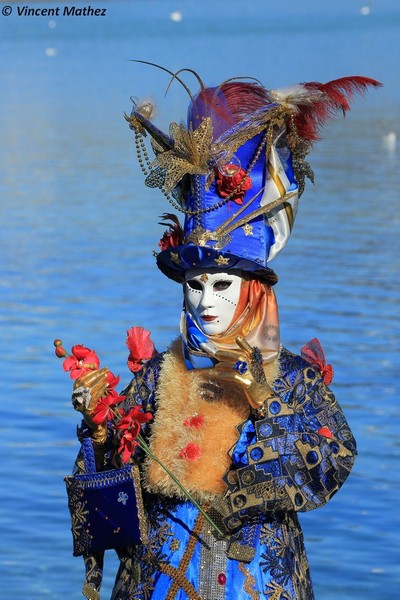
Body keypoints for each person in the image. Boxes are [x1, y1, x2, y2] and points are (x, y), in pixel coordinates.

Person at [69, 69, 380, 599]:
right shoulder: (154, 379)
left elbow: (329, 466)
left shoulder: (295, 382)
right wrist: (100, 431)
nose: (205, 300)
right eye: (194, 285)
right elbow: (104, 513)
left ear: (252, 288)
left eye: (221, 283)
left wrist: (266, 401)